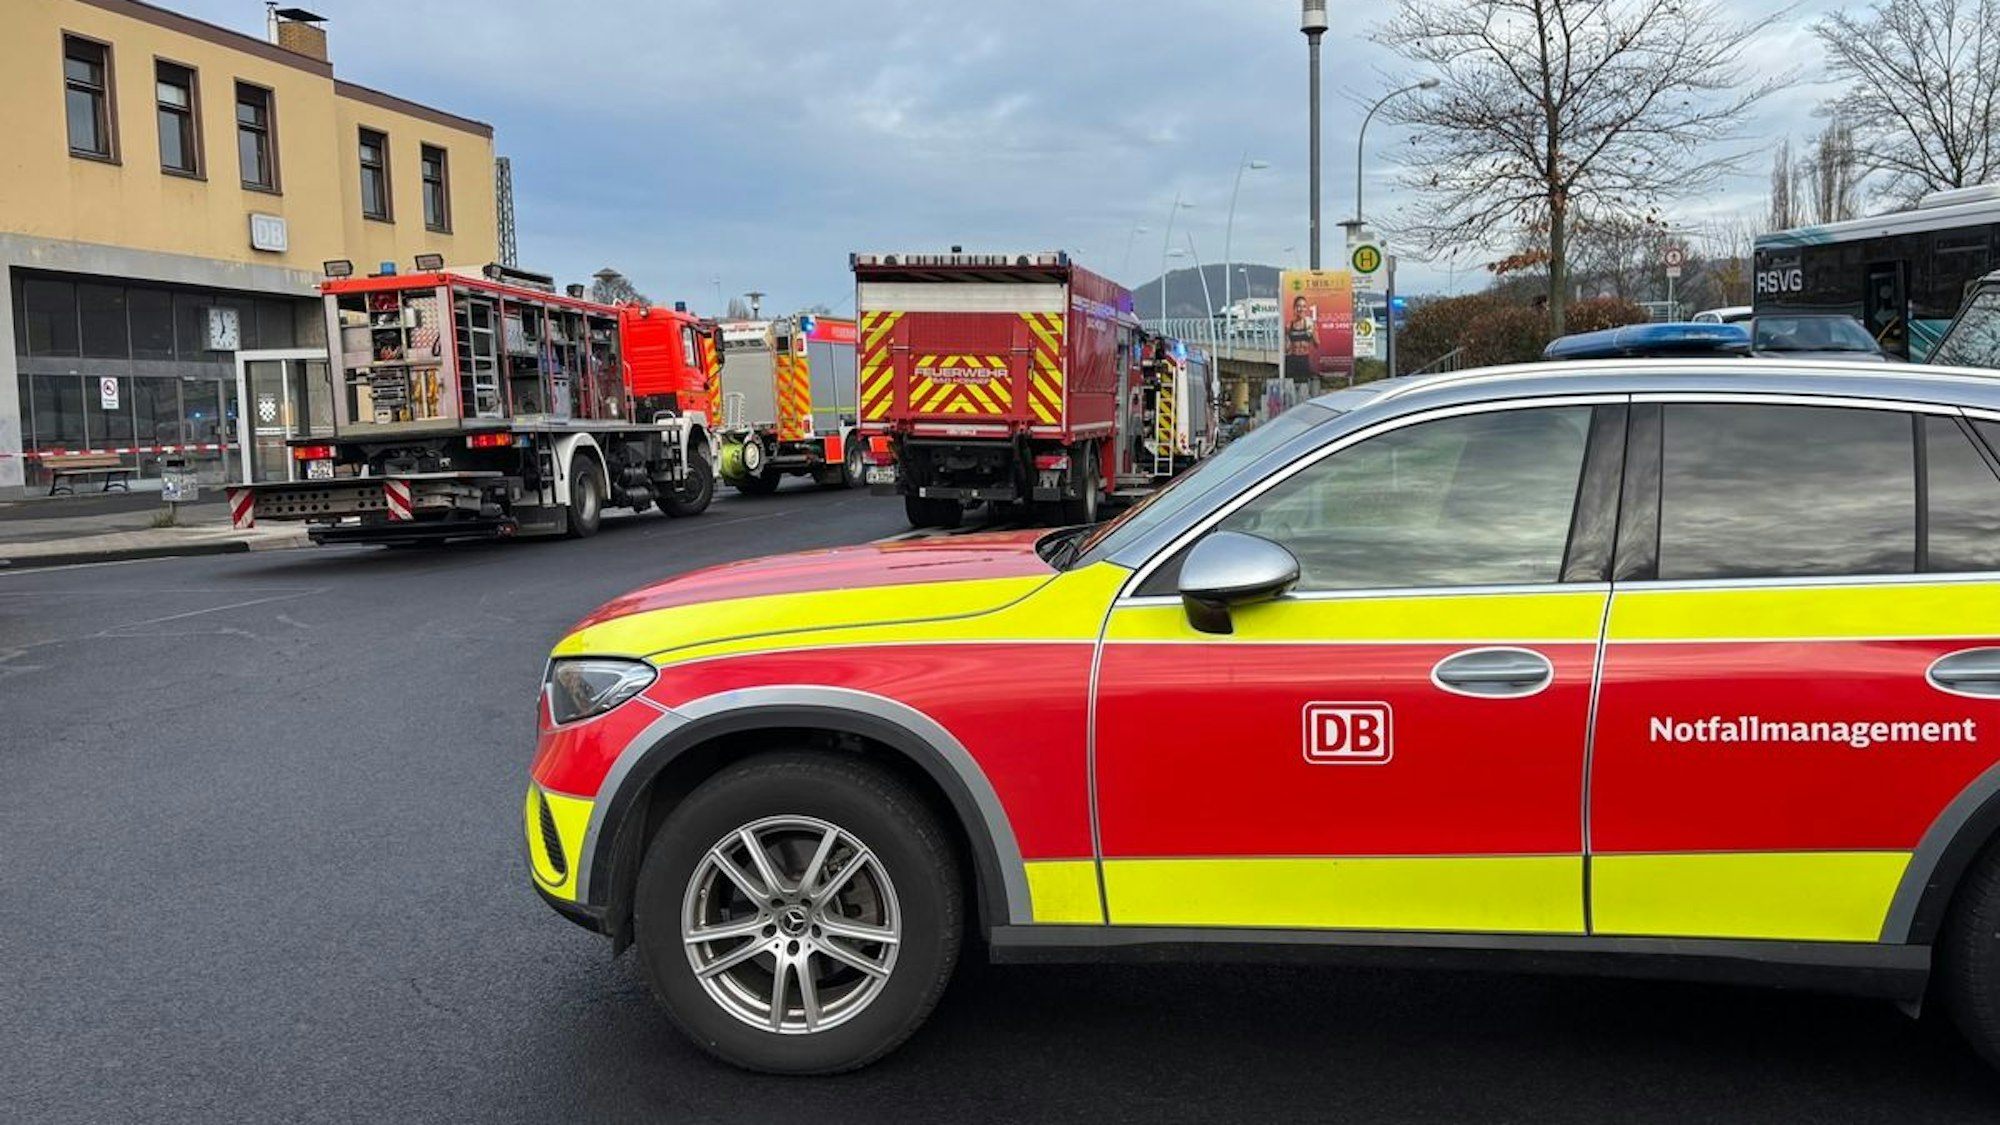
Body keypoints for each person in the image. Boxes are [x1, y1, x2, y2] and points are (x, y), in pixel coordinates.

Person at [1285, 295, 1316, 381]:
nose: (1301, 309)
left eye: (1304, 306)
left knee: (1305, 386)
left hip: (1305, 360)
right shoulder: (1289, 326)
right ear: (1294, 308)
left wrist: (1313, 330)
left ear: (1306, 309)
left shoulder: (1310, 323)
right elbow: (1287, 347)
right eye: (1298, 306)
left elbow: (1317, 344)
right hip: (1293, 360)